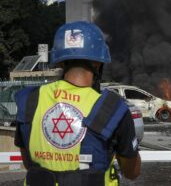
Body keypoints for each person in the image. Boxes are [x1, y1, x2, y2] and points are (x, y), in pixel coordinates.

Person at [14, 21, 141, 186]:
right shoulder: (112, 108)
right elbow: (132, 172)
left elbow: (28, 162)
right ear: (97, 63)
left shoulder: (30, 100)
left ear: (60, 62)